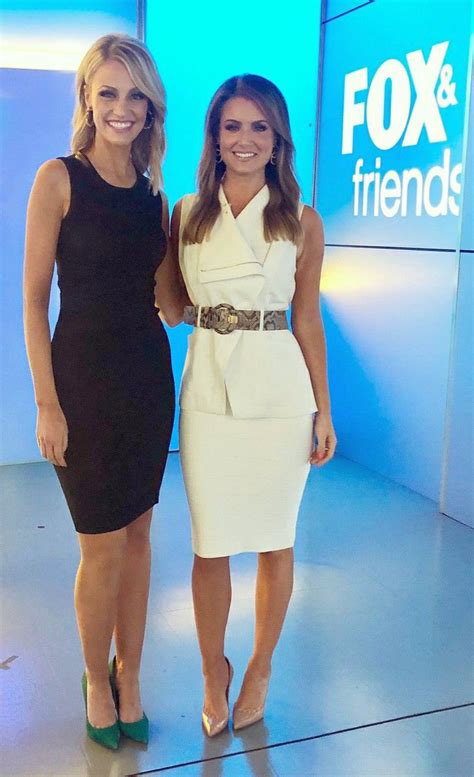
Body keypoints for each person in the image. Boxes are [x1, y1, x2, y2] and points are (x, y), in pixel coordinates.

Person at [167, 74, 337, 736]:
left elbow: (308, 320)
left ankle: (261, 664)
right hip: (209, 390)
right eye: (232, 126)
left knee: (275, 538)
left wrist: (324, 409)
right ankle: (215, 668)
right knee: (210, 544)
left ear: (278, 140)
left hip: (280, 393)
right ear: (214, 137)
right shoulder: (184, 214)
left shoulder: (302, 221)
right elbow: (170, 299)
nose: (245, 140)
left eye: (259, 127)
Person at [23, 34, 179, 749]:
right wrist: (46, 402)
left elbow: (170, 302)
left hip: (147, 378)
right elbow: (31, 301)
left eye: (135, 95)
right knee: (101, 546)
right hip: (81, 381)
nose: (122, 107)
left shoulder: (156, 198)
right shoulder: (57, 179)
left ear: (151, 108)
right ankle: (94, 677)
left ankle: (133, 673)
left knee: (140, 536)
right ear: (87, 97)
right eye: (108, 92)